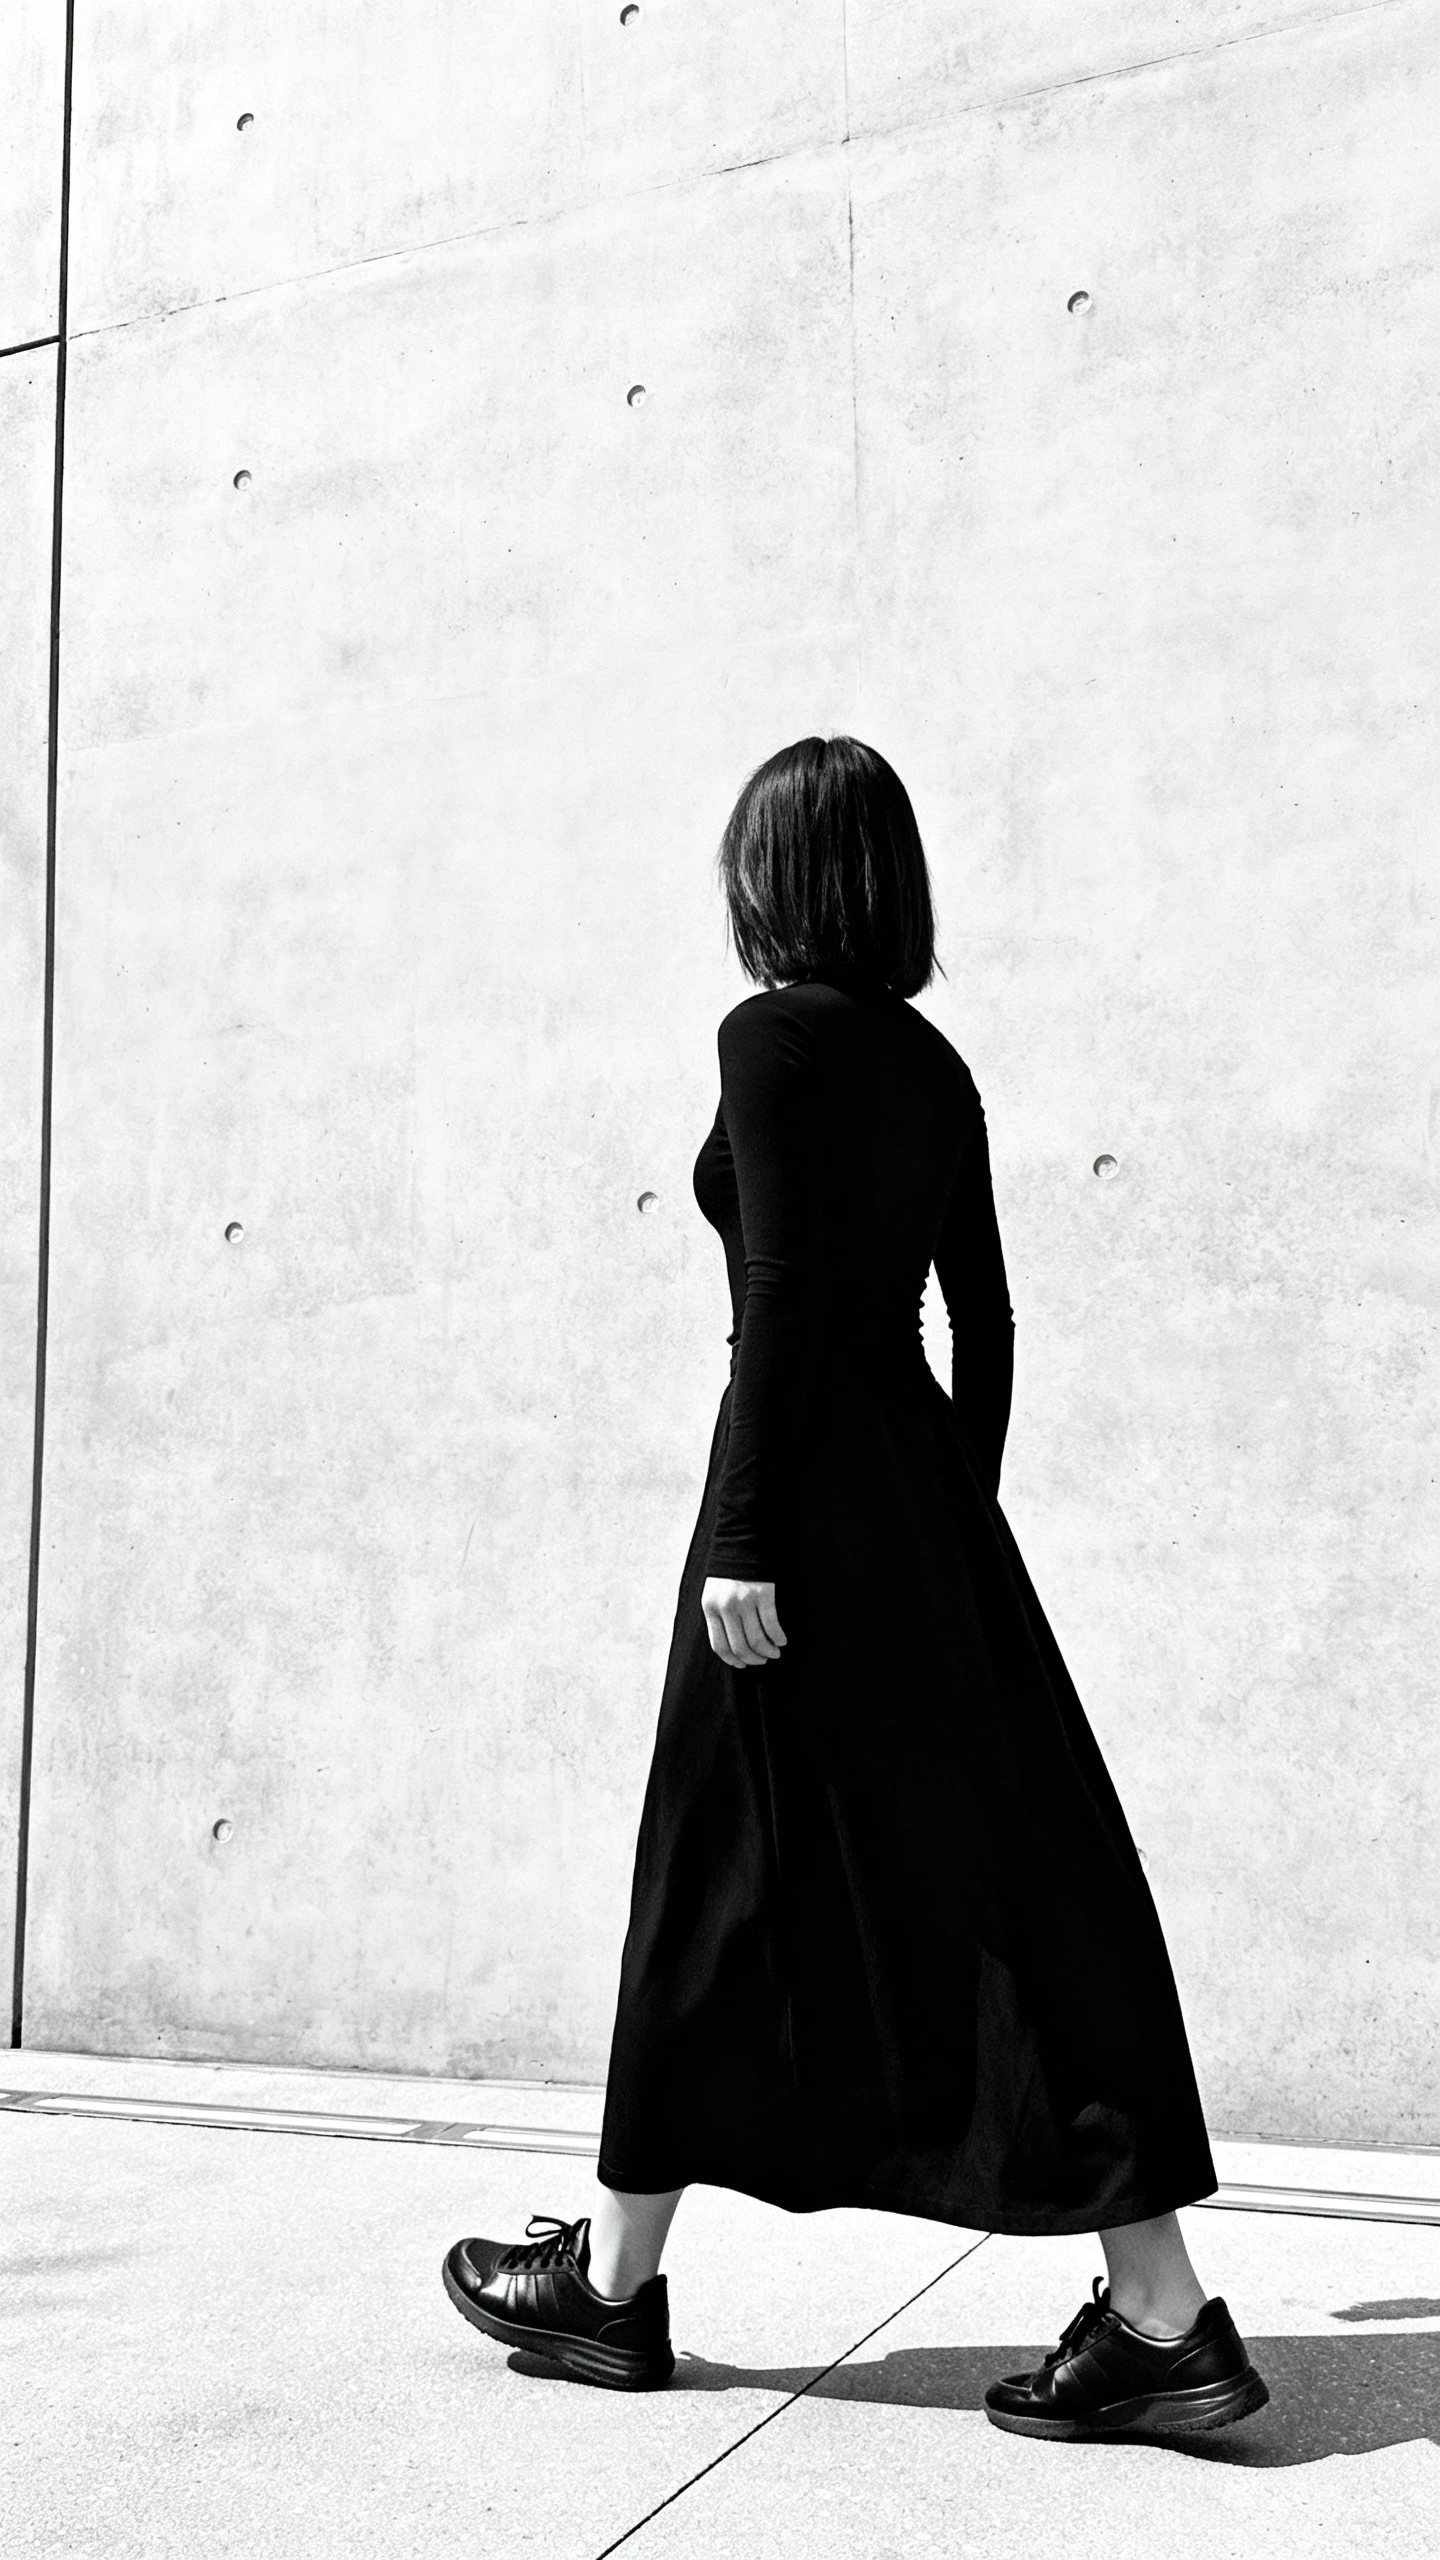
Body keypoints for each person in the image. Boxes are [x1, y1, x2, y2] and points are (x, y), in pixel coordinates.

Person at [443, 736, 1268, 2440]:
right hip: (918, 1508)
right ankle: (1163, 2310)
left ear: (778, 880)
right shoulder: (932, 1062)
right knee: (1022, 1888)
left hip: (795, 1503)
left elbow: (792, 1309)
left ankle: (608, 2291)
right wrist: (945, 1517)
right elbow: (987, 1319)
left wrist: (751, 1532)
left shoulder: (771, 1039)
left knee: (707, 1879)